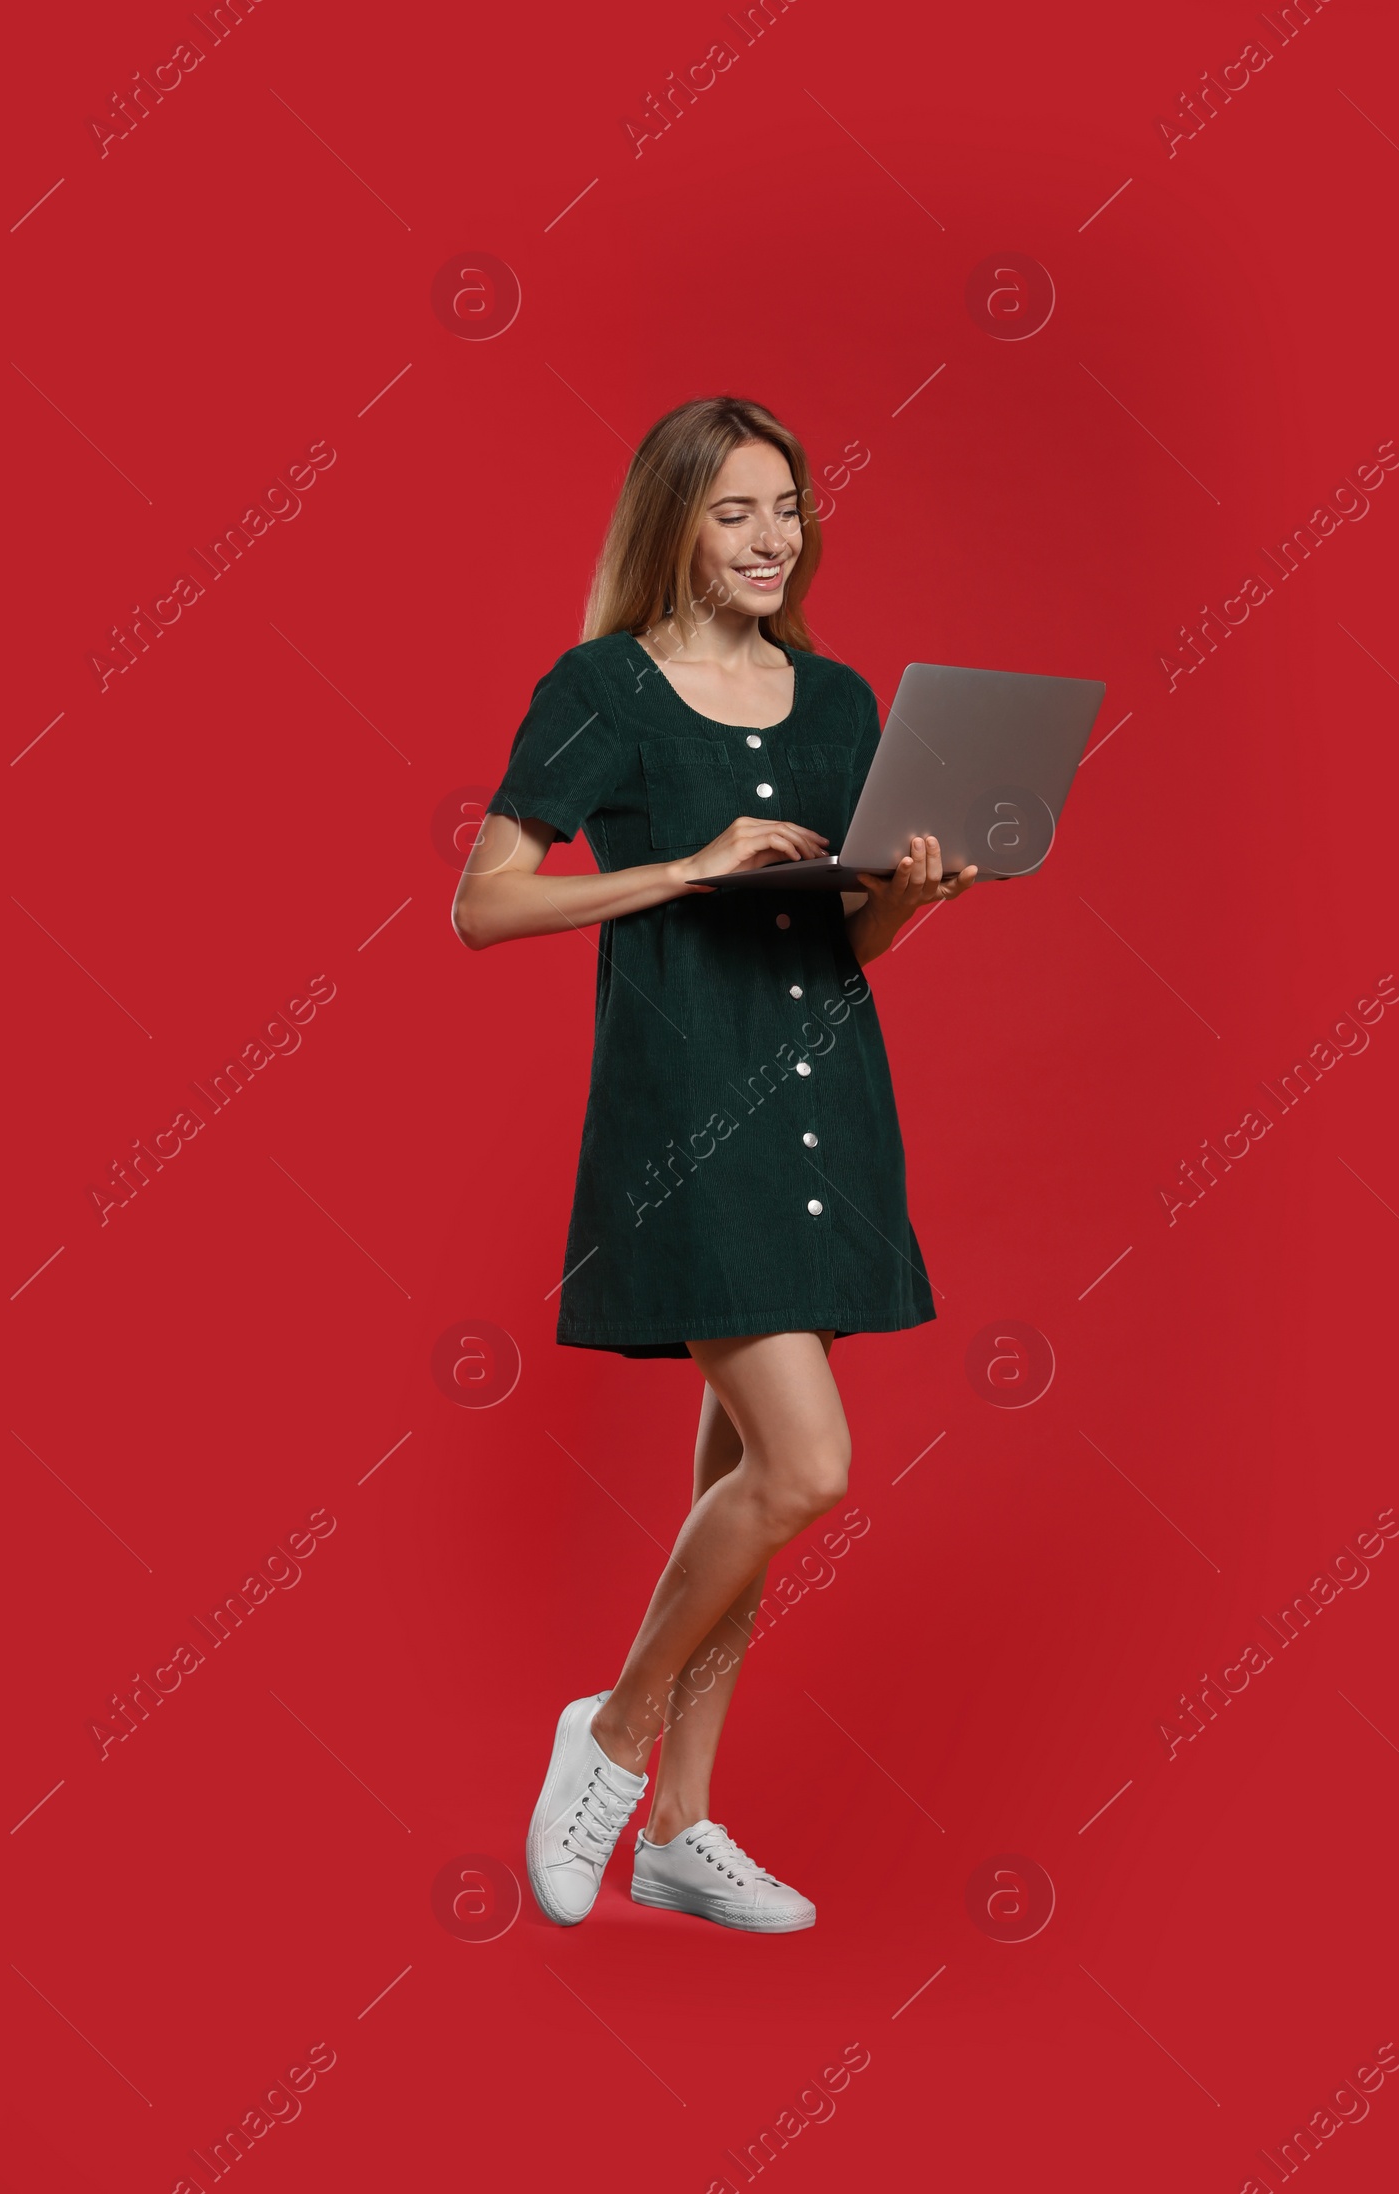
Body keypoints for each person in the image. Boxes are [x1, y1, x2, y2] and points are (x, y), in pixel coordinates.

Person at [452, 395, 977, 1932]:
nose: (771, 539)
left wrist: (920, 895)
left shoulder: (840, 699)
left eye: (790, 508)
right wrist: (680, 865)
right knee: (806, 1465)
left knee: (744, 1472)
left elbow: (846, 927)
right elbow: (483, 903)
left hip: (826, 1092)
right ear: (675, 520)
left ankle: (680, 1824)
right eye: (737, 510)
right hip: (691, 1109)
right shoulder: (601, 689)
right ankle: (608, 1739)